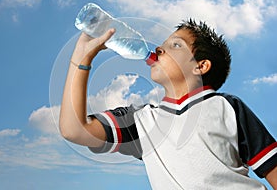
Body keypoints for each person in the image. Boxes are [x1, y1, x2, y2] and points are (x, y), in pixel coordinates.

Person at [59, 19, 277, 189]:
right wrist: (81, 58)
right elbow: (74, 130)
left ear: (201, 66)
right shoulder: (140, 122)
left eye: (175, 45)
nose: (159, 50)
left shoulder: (226, 107)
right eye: (162, 45)